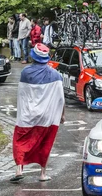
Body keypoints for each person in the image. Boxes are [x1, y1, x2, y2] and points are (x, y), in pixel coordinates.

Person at [10, 44, 65, 183]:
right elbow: (60, 98)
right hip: (47, 117)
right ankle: (42, 173)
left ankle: (19, 169)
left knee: (20, 140)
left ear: (33, 57)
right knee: (45, 143)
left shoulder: (25, 73)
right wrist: (62, 115)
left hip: (28, 115)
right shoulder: (55, 75)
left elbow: (22, 94)